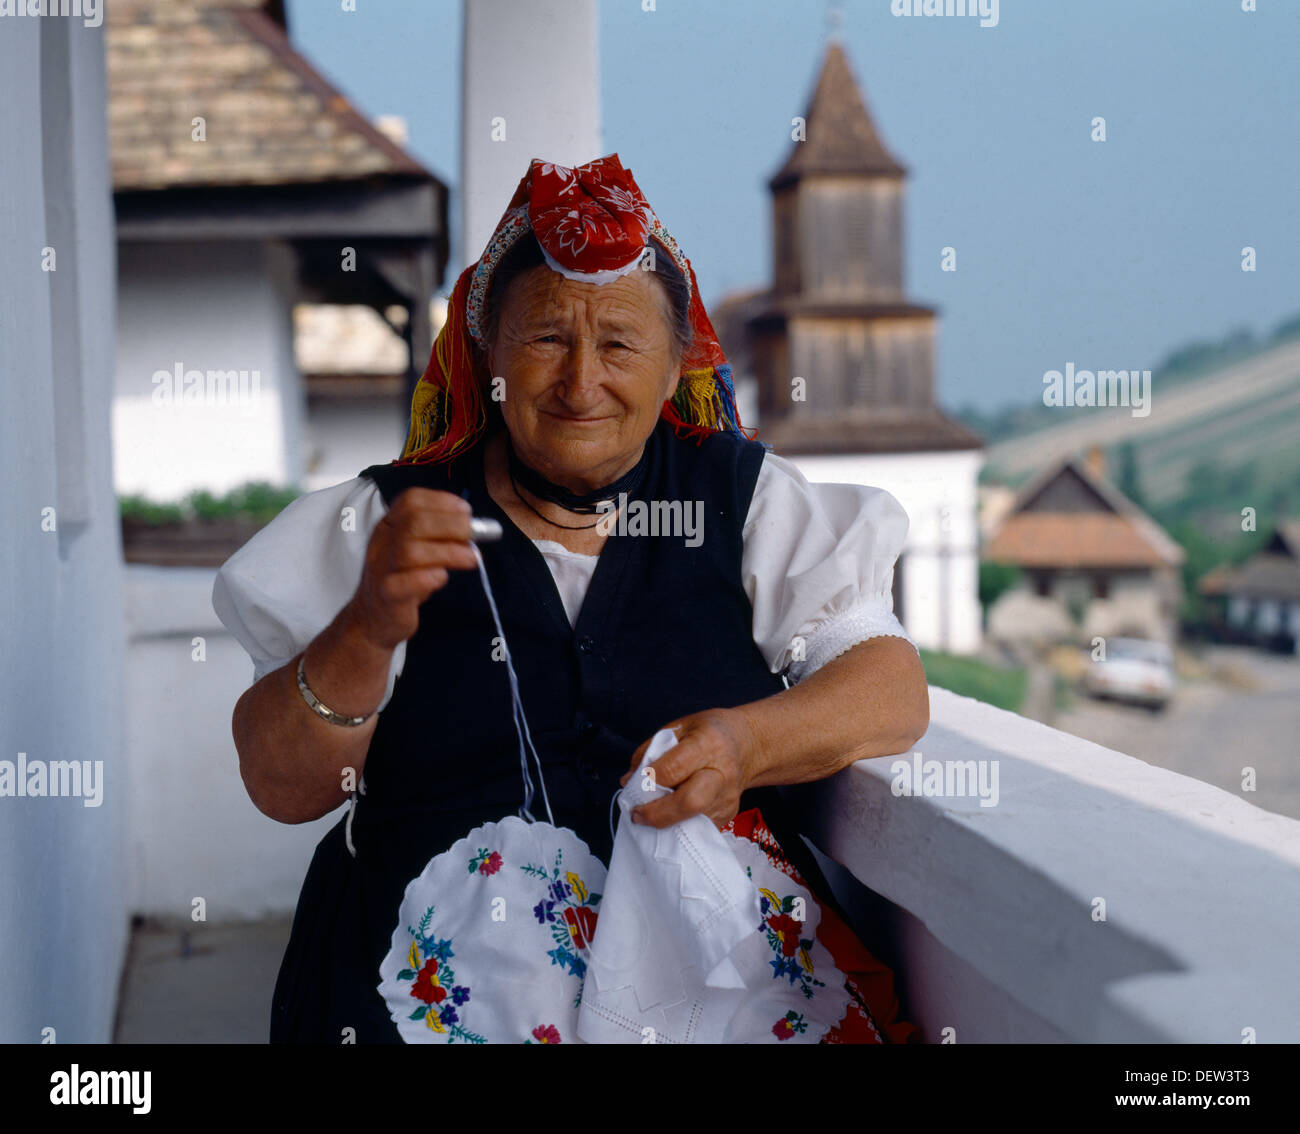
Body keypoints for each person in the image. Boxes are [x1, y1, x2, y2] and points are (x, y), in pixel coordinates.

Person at [213, 153, 929, 1043]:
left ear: (677, 368)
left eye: (621, 344)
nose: (582, 381)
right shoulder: (377, 524)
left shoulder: (748, 504)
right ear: (489, 357)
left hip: (703, 987)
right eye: (547, 339)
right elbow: (281, 786)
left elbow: (890, 689)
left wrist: (748, 742)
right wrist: (367, 627)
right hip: (424, 992)